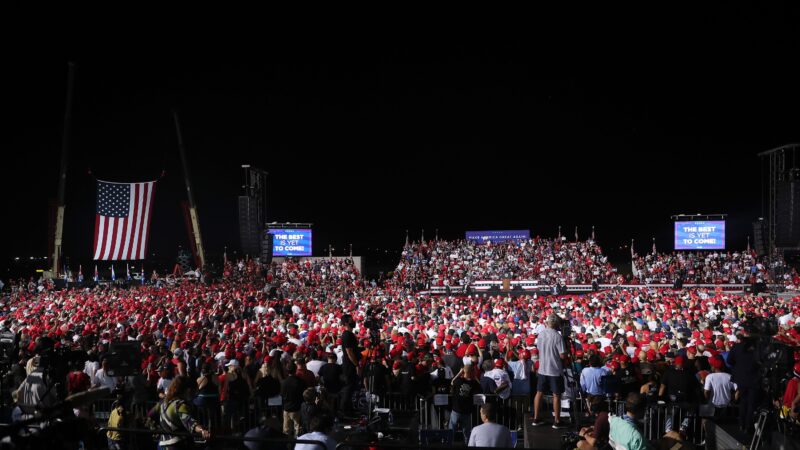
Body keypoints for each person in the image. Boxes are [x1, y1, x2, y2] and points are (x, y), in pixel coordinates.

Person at [532, 314, 568, 429]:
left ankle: (536, 418)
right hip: (554, 370)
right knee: (556, 395)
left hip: (543, 368)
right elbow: (562, 355)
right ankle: (557, 421)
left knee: (539, 393)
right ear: (557, 324)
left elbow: (538, 349)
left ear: (547, 323)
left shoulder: (541, 334)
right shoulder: (557, 336)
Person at [157, 375, 211, 450]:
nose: (195, 394)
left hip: (161, 445)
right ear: (188, 390)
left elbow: (150, 415)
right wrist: (202, 430)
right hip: (177, 445)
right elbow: (189, 421)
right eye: (194, 391)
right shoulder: (180, 405)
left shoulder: (162, 403)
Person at [450, 362, 481, 442]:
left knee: (452, 431)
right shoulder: (473, 383)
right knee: (466, 433)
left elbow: (452, 381)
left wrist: (460, 372)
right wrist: (475, 376)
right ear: (472, 372)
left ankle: (449, 444)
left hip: (458, 410)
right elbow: (480, 387)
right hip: (464, 411)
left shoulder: (459, 380)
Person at [338, 314, 360, 418]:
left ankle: (349, 409)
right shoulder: (346, 335)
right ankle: (344, 411)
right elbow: (349, 352)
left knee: (351, 389)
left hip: (350, 364)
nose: (353, 321)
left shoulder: (349, 334)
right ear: (346, 322)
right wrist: (356, 364)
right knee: (348, 388)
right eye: (351, 320)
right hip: (349, 366)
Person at [281, 360, 304, 437]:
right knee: (297, 429)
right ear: (295, 370)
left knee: (286, 431)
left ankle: (287, 446)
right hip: (297, 408)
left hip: (287, 408)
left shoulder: (284, 382)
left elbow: (282, 394)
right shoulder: (300, 382)